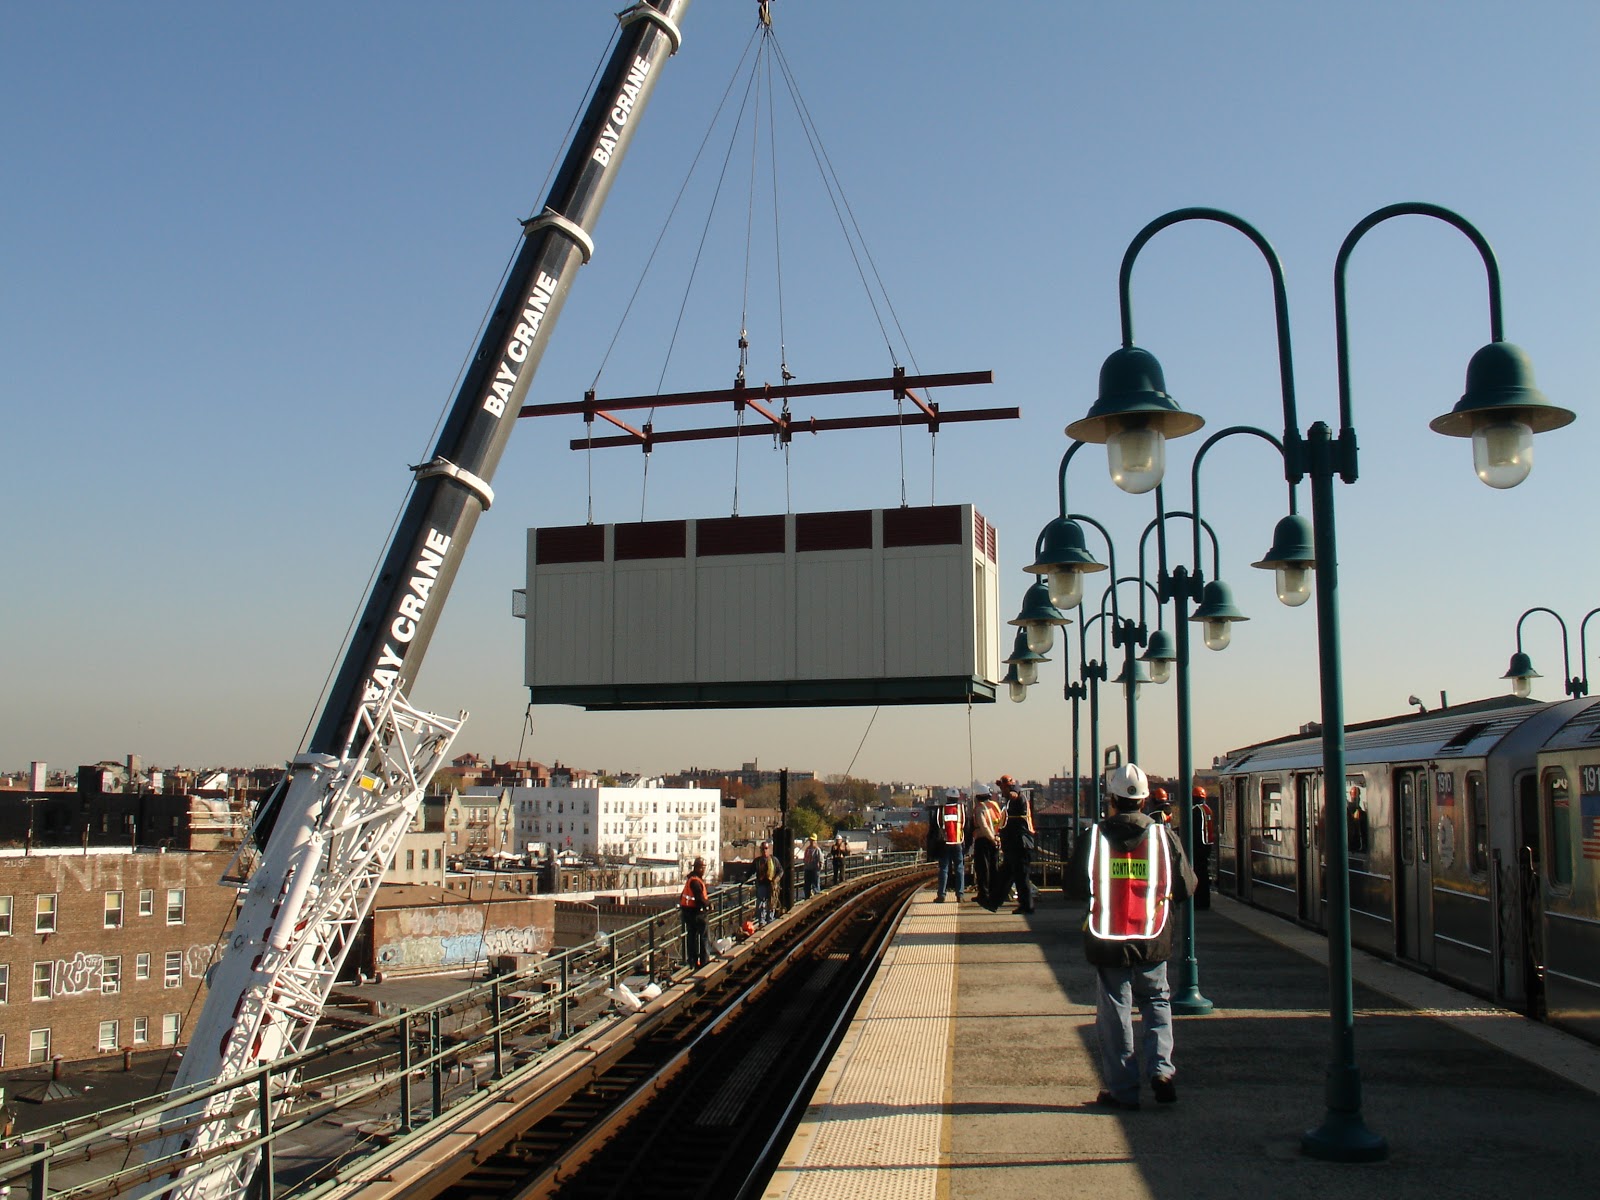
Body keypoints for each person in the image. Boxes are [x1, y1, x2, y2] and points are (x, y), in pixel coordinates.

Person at [1068, 762, 1196, 1110]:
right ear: (1143, 801)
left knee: (1115, 1011)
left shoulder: (1093, 838)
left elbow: (1075, 886)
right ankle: (1162, 1070)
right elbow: (1187, 885)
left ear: (1111, 799)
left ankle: (1123, 1090)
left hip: (1107, 937)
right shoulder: (1163, 837)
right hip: (1152, 935)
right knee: (1156, 1001)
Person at [996, 775, 1036, 913]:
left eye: (1002, 787)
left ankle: (1026, 906)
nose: (1001, 789)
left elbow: (1015, 793)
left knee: (1021, 876)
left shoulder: (1017, 797)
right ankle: (994, 901)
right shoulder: (1011, 802)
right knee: (1010, 874)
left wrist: (1013, 792)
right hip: (1015, 844)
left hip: (1020, 843)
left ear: (1008, 787)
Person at [971, 784, 1002, 910]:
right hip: (995, 839)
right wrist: (997, 838)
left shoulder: (980, 808)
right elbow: (1000, 822)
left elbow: (983, 826)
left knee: (983, 868)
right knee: (994, 866)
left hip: (983, 840)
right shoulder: (995, 806)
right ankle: (995, 892)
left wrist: (991, 838)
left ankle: (983, 894)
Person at [679, 856, 713, 970]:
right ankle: (704, 961)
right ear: (698, 868)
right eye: (702, 867)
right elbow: (699, 898)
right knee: (704, 936)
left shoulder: (690, 880)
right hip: (697, 913)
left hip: (688, 913)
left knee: (692, 937)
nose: (704, 870)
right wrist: (709, 904)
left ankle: (693, 961)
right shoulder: (695, 882)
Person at [934, 788, 966, 902]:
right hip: (958, 842)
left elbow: (937, 825)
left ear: (947, 798)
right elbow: (965, 825)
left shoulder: (941, 809)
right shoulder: (961, 809)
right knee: (959, 868)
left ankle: (941, 895)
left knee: (944, 869)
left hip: (945, 843)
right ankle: (960, 895)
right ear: (957, 798)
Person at [1190, 785, 1214, 909]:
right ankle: (1205, 901)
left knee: (1198, 875)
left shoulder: (1195, 810)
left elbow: (1194, 830)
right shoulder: (1207, 809)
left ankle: (1199, 902)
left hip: (1198, 847)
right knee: (1204, 875)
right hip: (1207, 846)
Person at [753, 840, 780, 925]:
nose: (764, 850)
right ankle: (761, 921)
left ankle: (770, 920)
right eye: (762, 849)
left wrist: (776, 880)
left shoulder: (774, 860)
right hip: (761, 885)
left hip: (771, 885)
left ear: (769, 849)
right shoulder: (757, 861)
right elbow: (750, 871)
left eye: (766, 848)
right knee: (761, 903)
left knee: (771, 903)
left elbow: (780, 871)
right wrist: (743, 879)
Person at [801, 834, 823, 899]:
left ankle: (817, 897)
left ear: (815, 841)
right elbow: (805, 859)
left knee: (815, 884)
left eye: (813, 841)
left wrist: (819, 868)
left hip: (815, 870)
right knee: (807, 884)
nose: (811, 842)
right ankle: (807, 897)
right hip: (808, 869)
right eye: (811, 840)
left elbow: (821, 859)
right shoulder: (807, 849)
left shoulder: (817, 850)